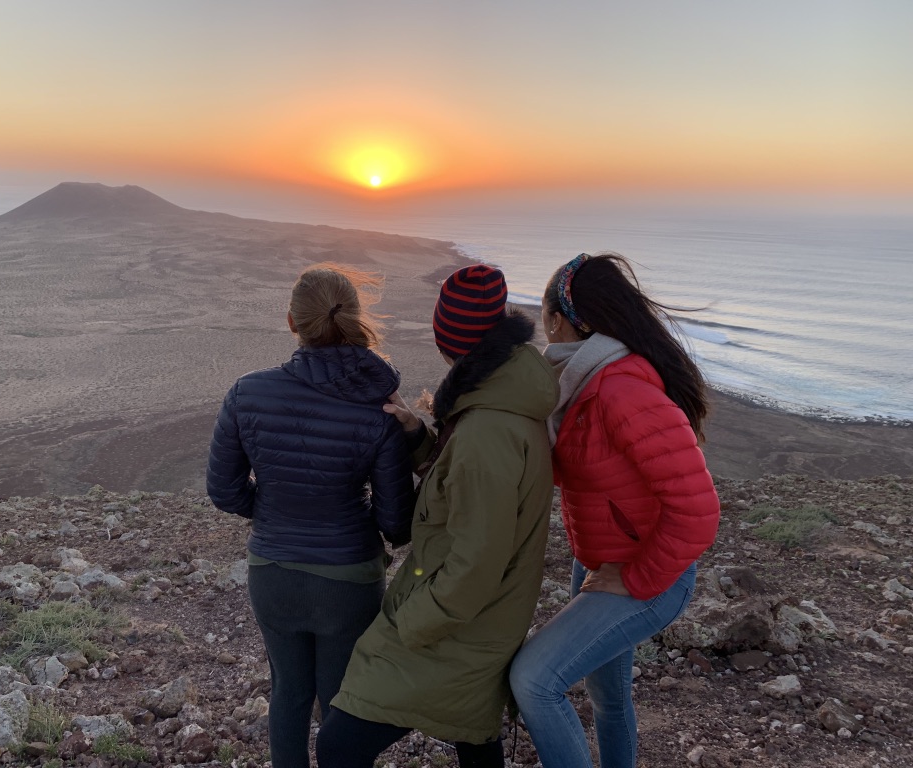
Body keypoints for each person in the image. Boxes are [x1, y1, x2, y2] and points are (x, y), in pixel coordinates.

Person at [315, 264, 560, 768]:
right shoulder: (498, 401)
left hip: (458, 627)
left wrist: (411, 622)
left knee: (340, 745)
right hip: (482, 619)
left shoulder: (486, 431)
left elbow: (476, 561)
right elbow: (464, 491)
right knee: (472, 734)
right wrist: (415, 434)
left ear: (453, 340)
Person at [509, 252, 721, 768]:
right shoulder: (583, 381)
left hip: (650, 573)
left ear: (560, 320)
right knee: (608, 699)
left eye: (543, 317)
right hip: (603, 560)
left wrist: (637, 578)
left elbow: (698, 509)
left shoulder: (620, 388)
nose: (543, 330)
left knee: (534, 680)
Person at [206, 264, 416, 768]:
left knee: (289, 695)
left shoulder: (246, 392)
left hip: (272, 572)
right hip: (347, 580)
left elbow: (224, 489)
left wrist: (275, 511)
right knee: (343, 703)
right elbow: (397, 523)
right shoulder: (379, 408)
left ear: (291, 322)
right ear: (354, 321)